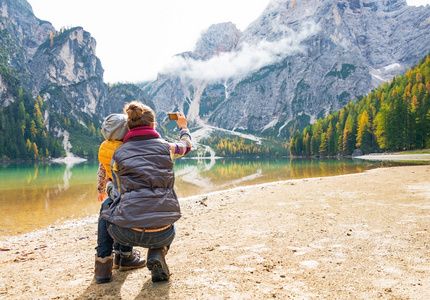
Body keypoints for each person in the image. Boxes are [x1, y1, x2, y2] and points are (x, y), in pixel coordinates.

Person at [94, 101, 192, 284]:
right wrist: (183, 126)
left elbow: (117, 195)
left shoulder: (118, 154)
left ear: (128, 126)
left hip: (126, 232)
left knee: (107, 207)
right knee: (164, 216)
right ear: (153, 125)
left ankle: (103, 268)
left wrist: (107, 187)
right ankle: (157, 252)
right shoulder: (166, 148)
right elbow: (186, 145)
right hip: (163, 232)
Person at [95, 114, 146, 282]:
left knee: (107, 210)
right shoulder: (127, 147)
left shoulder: (104, 147)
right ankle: (125, 256)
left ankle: (103, 266)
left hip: (112, 191)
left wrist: (101, 188)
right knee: (127, 215)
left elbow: (102, 170)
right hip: (126, 191)